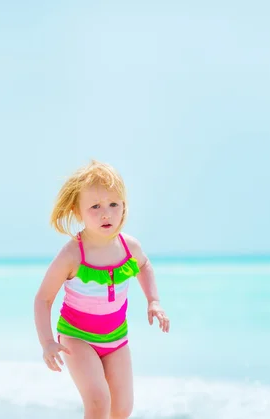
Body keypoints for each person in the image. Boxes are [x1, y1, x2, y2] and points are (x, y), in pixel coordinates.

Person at [34, 159, 170, 419]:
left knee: (121, 409)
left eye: (113, 204)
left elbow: (144, 265)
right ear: (78, 211)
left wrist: (153, 300)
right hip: (77, 337)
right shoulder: (72, 254)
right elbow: (43, 299)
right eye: (95, 206)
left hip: (116, 340)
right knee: (98, 401)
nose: (106, 213)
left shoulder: (129, 247)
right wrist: (47, 342)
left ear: (124, 207)